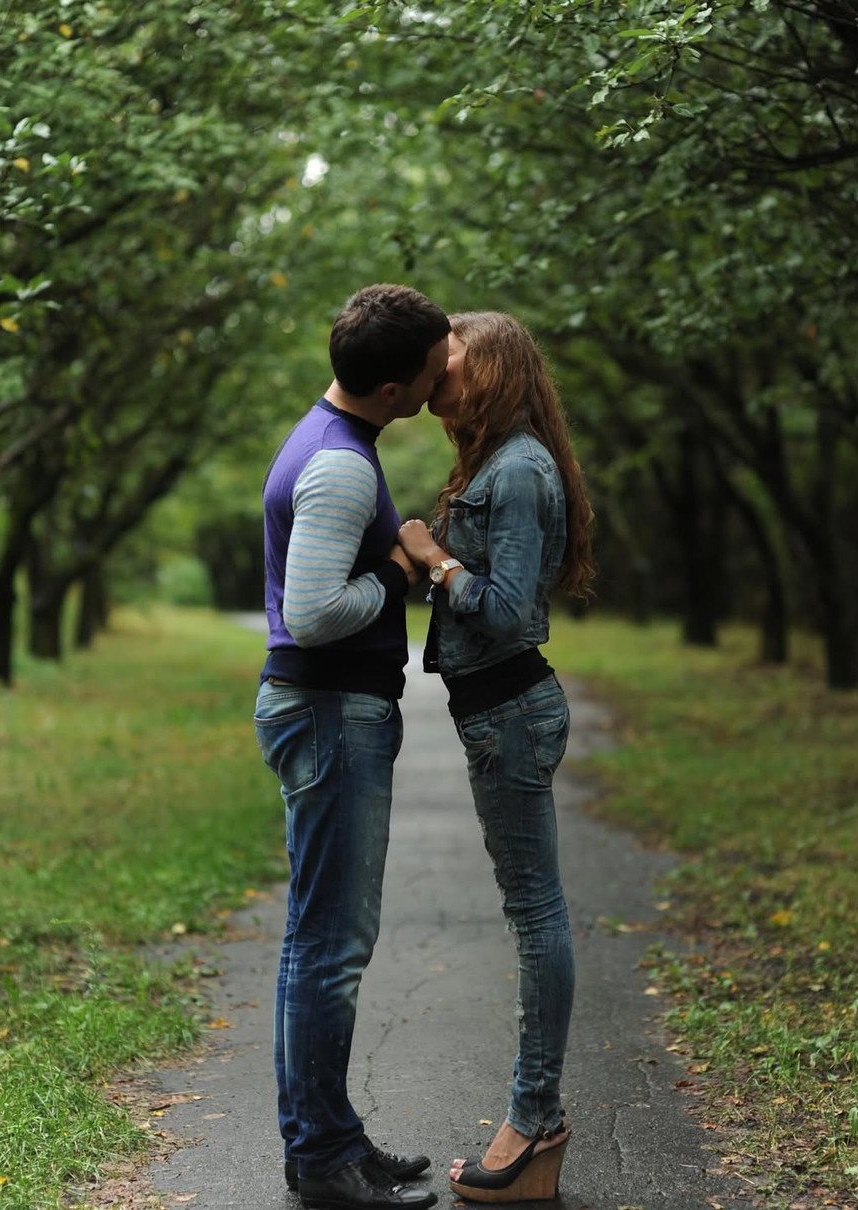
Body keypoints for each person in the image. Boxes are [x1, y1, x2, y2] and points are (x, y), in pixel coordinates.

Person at [254, 284, 449, 1210]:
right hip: (329, 712)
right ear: (390, 384)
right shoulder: (340, 467)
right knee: (330, 947)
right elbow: (315, 613)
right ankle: (323, 1164)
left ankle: (329, 1143)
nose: (445, 374)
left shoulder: (339, 441)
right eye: (433, 367)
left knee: (319, 940)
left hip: (326, 712)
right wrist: (400, 570)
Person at [397, 311, 594, 1204]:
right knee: (532, 912)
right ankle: (534, 1122)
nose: (436, 370)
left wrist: (435, 559)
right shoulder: (494, 461)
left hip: (512, 709)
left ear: (496, 369)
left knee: (537, 916)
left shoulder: (516, 469)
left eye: (451, 358)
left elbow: (508, 609)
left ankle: (534, 1119)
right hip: (500, 710)